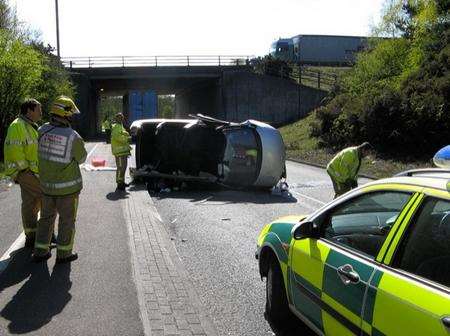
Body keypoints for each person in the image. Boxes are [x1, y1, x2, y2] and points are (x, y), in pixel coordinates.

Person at [33, 96, 87, 263]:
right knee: (67, 221)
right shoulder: (73, 136)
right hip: (68, 189)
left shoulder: (41, 130)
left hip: (46, 187)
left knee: (46, 219)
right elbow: (82, 158)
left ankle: (40, 252)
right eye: (71, 114)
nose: (72, 117)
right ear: (66, 115)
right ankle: (64, 254)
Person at [3, 99, 42, 247]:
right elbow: (14, 150)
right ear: (29, 110)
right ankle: (46, 234)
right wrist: (25, 170)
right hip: (25, 171)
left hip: (31, 171)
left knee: (30, 202)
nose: (40, 113)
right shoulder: (17, 126)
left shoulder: (29, 125)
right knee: (47, 197)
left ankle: (31, 235)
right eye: (39, 109)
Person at [111, 113, 131, 191]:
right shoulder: (116, 127)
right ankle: (119, 184)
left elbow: (122, 134)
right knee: (120, 168)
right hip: (119, 152)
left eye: (122, 117)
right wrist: (127, 139)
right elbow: (117, 137)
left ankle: (122, 182)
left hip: (123, 152)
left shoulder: (121, 126)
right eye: (119, 118)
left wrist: (127, 135)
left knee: (124, 167)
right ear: (116, 119)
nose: (121, 119)